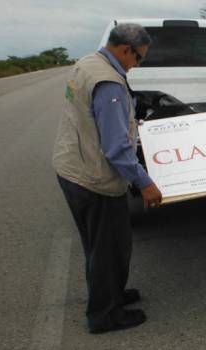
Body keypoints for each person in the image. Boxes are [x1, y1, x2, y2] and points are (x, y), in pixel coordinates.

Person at [52, 23, 163, 333]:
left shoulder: (87, 63)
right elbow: (116, 149)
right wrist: (146, 184)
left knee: (97, 245)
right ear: (125, 50)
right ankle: (105, 315)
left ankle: (110, 293)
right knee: (110, 248)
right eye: (138, 58)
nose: (137, 65)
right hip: (94, 179)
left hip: (71, 166)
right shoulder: (110, 83)